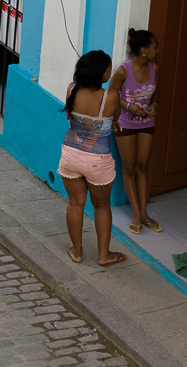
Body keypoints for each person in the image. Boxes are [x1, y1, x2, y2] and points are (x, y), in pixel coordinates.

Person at [58, 50, 126, 267]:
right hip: (98, 161)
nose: (110, 72)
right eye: (108, 69)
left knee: (75, 204)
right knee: (102, 206)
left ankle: (77, 252)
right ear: (100, 73)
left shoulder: (71, 89)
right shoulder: (112, 97)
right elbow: (113, 118)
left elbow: (71, 116)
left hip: (70, 155)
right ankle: (103, 255)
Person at [109, 28, 162, 235]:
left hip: (146, 123)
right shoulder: (123, 70)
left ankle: (145, 213)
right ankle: (137, 215)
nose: (157, 50)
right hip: (124, 123)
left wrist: (154, 107)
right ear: (143, 50)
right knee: (129, 168)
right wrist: (128, 106)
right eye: (154, 47)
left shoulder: (155, 68)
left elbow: (156, 94)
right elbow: (111, 94)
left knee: (143, 166)